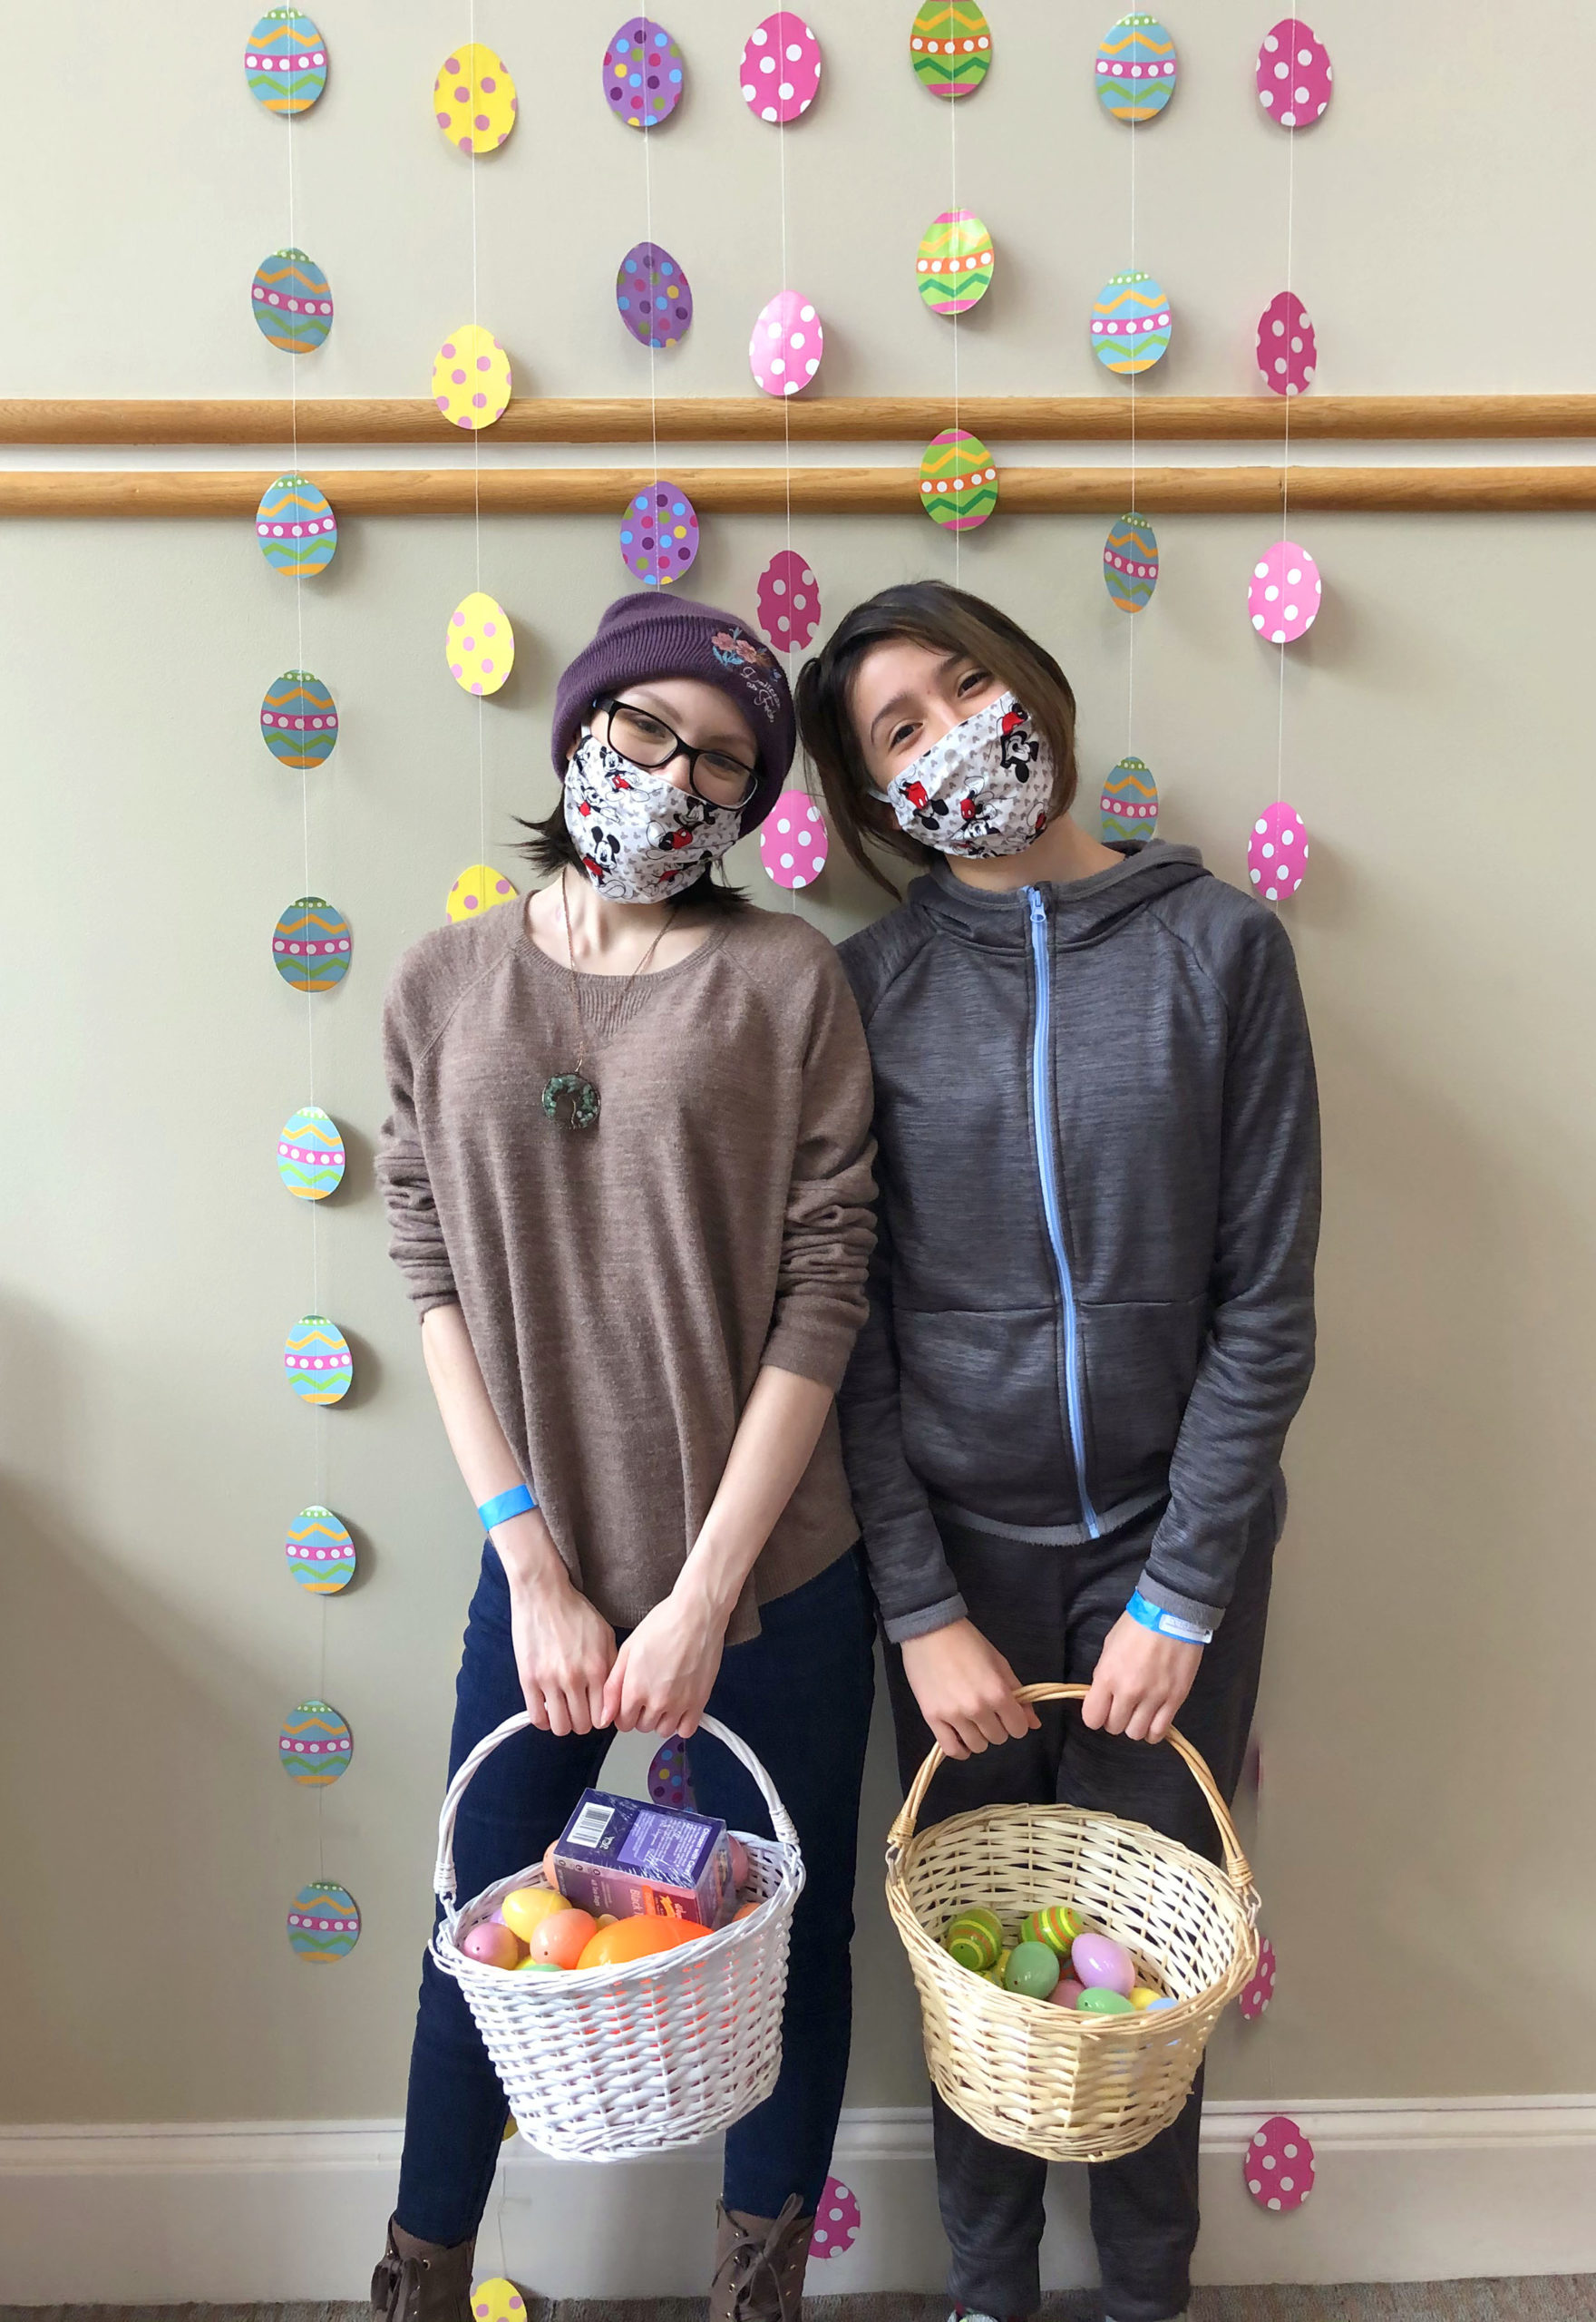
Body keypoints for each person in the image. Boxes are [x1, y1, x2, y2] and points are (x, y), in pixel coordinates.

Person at [795, 580, 1320, 2322]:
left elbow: (1266, 1308)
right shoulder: (863, 996)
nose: (958, 734)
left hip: (1174, 1566)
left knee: (1148, 1949)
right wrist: (921, 1604)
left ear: (1033, 683)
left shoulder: (1223, 952)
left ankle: (1152, 2289)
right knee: (976, 1947)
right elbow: (846, 1335)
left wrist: (1184, 1592)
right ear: (876, 802)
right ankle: (987, 2289)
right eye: (901, 730)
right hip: (958, 1565)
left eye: (969, 686)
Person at [373, 590, 879, 2322]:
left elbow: (827, 1289)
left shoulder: (785, 977)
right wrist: (531, 1559)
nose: (677, 777)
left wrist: (706, 1594)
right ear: (582, 728)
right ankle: (418, 2274)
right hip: (545, 1579)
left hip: (776, 1581)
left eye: (726, 759)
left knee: (785, 1946)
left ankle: (759, 2290)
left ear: (754, 804)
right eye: (649, 731)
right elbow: (429, 1267)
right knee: (477, 1934)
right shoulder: (443, 983)